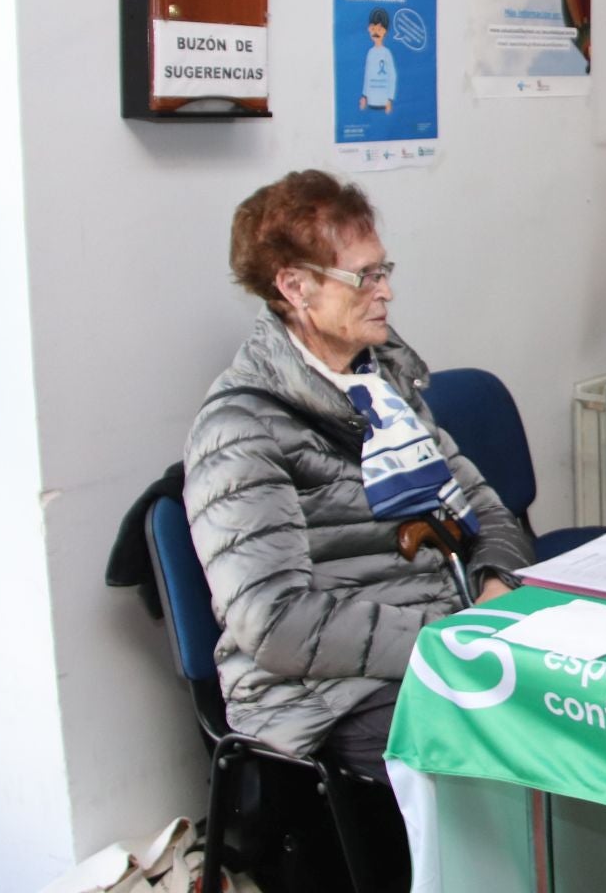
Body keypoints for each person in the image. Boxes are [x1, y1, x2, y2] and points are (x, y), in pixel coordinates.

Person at [185, 170, 533, 781]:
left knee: (587, 703)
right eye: (364, 276)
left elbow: (488, 511)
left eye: (384, 270)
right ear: (295, 286)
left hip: (441, 644)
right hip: (326, 698)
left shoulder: (382, 389)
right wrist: (450, 635)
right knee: (532, 746)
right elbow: (276, 624)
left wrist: (495, 590)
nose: (386, 292)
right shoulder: (240, 428)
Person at [361, 6, 396, 114]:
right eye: (373, 29)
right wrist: (364, 96)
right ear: (369, 29)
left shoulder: (386, 53)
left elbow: (392, 76)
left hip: (384, 102)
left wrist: (390, 99)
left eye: (379, 29)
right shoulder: (370, 53)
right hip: (371, 102)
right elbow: (367, 76)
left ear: (385, 31)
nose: (376, 32)